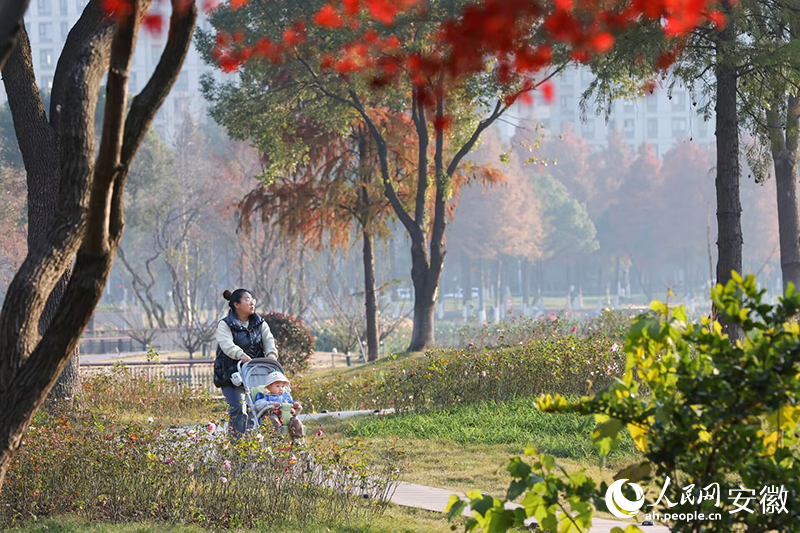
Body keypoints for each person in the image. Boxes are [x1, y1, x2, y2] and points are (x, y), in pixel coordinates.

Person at [214, 288, 278, 436]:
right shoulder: (225, 324)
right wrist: (241, 355)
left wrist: (271, 355)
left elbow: (268, 340)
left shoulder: (259, 323)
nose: (252, 303)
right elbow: (226, 345)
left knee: (254, 409)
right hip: (231, 373)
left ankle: (249, 444)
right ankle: (237, 444)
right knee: (238, 408)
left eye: (253, 300)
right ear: (236, 304)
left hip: (254, 373)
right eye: (247, 300)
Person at [253, 370, 304, 440]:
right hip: (271, 415)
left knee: (296, 421)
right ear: (269, 387)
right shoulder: (266, 396)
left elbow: (292, 403)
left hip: (286, 416)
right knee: (273, 421)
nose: (281, 389)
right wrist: (271, 404)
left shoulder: (286, 396)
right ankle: (274, 440)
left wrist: (295, 405)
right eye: (277, 386)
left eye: (283, 386)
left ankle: (297, 440)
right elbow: (258, 404)